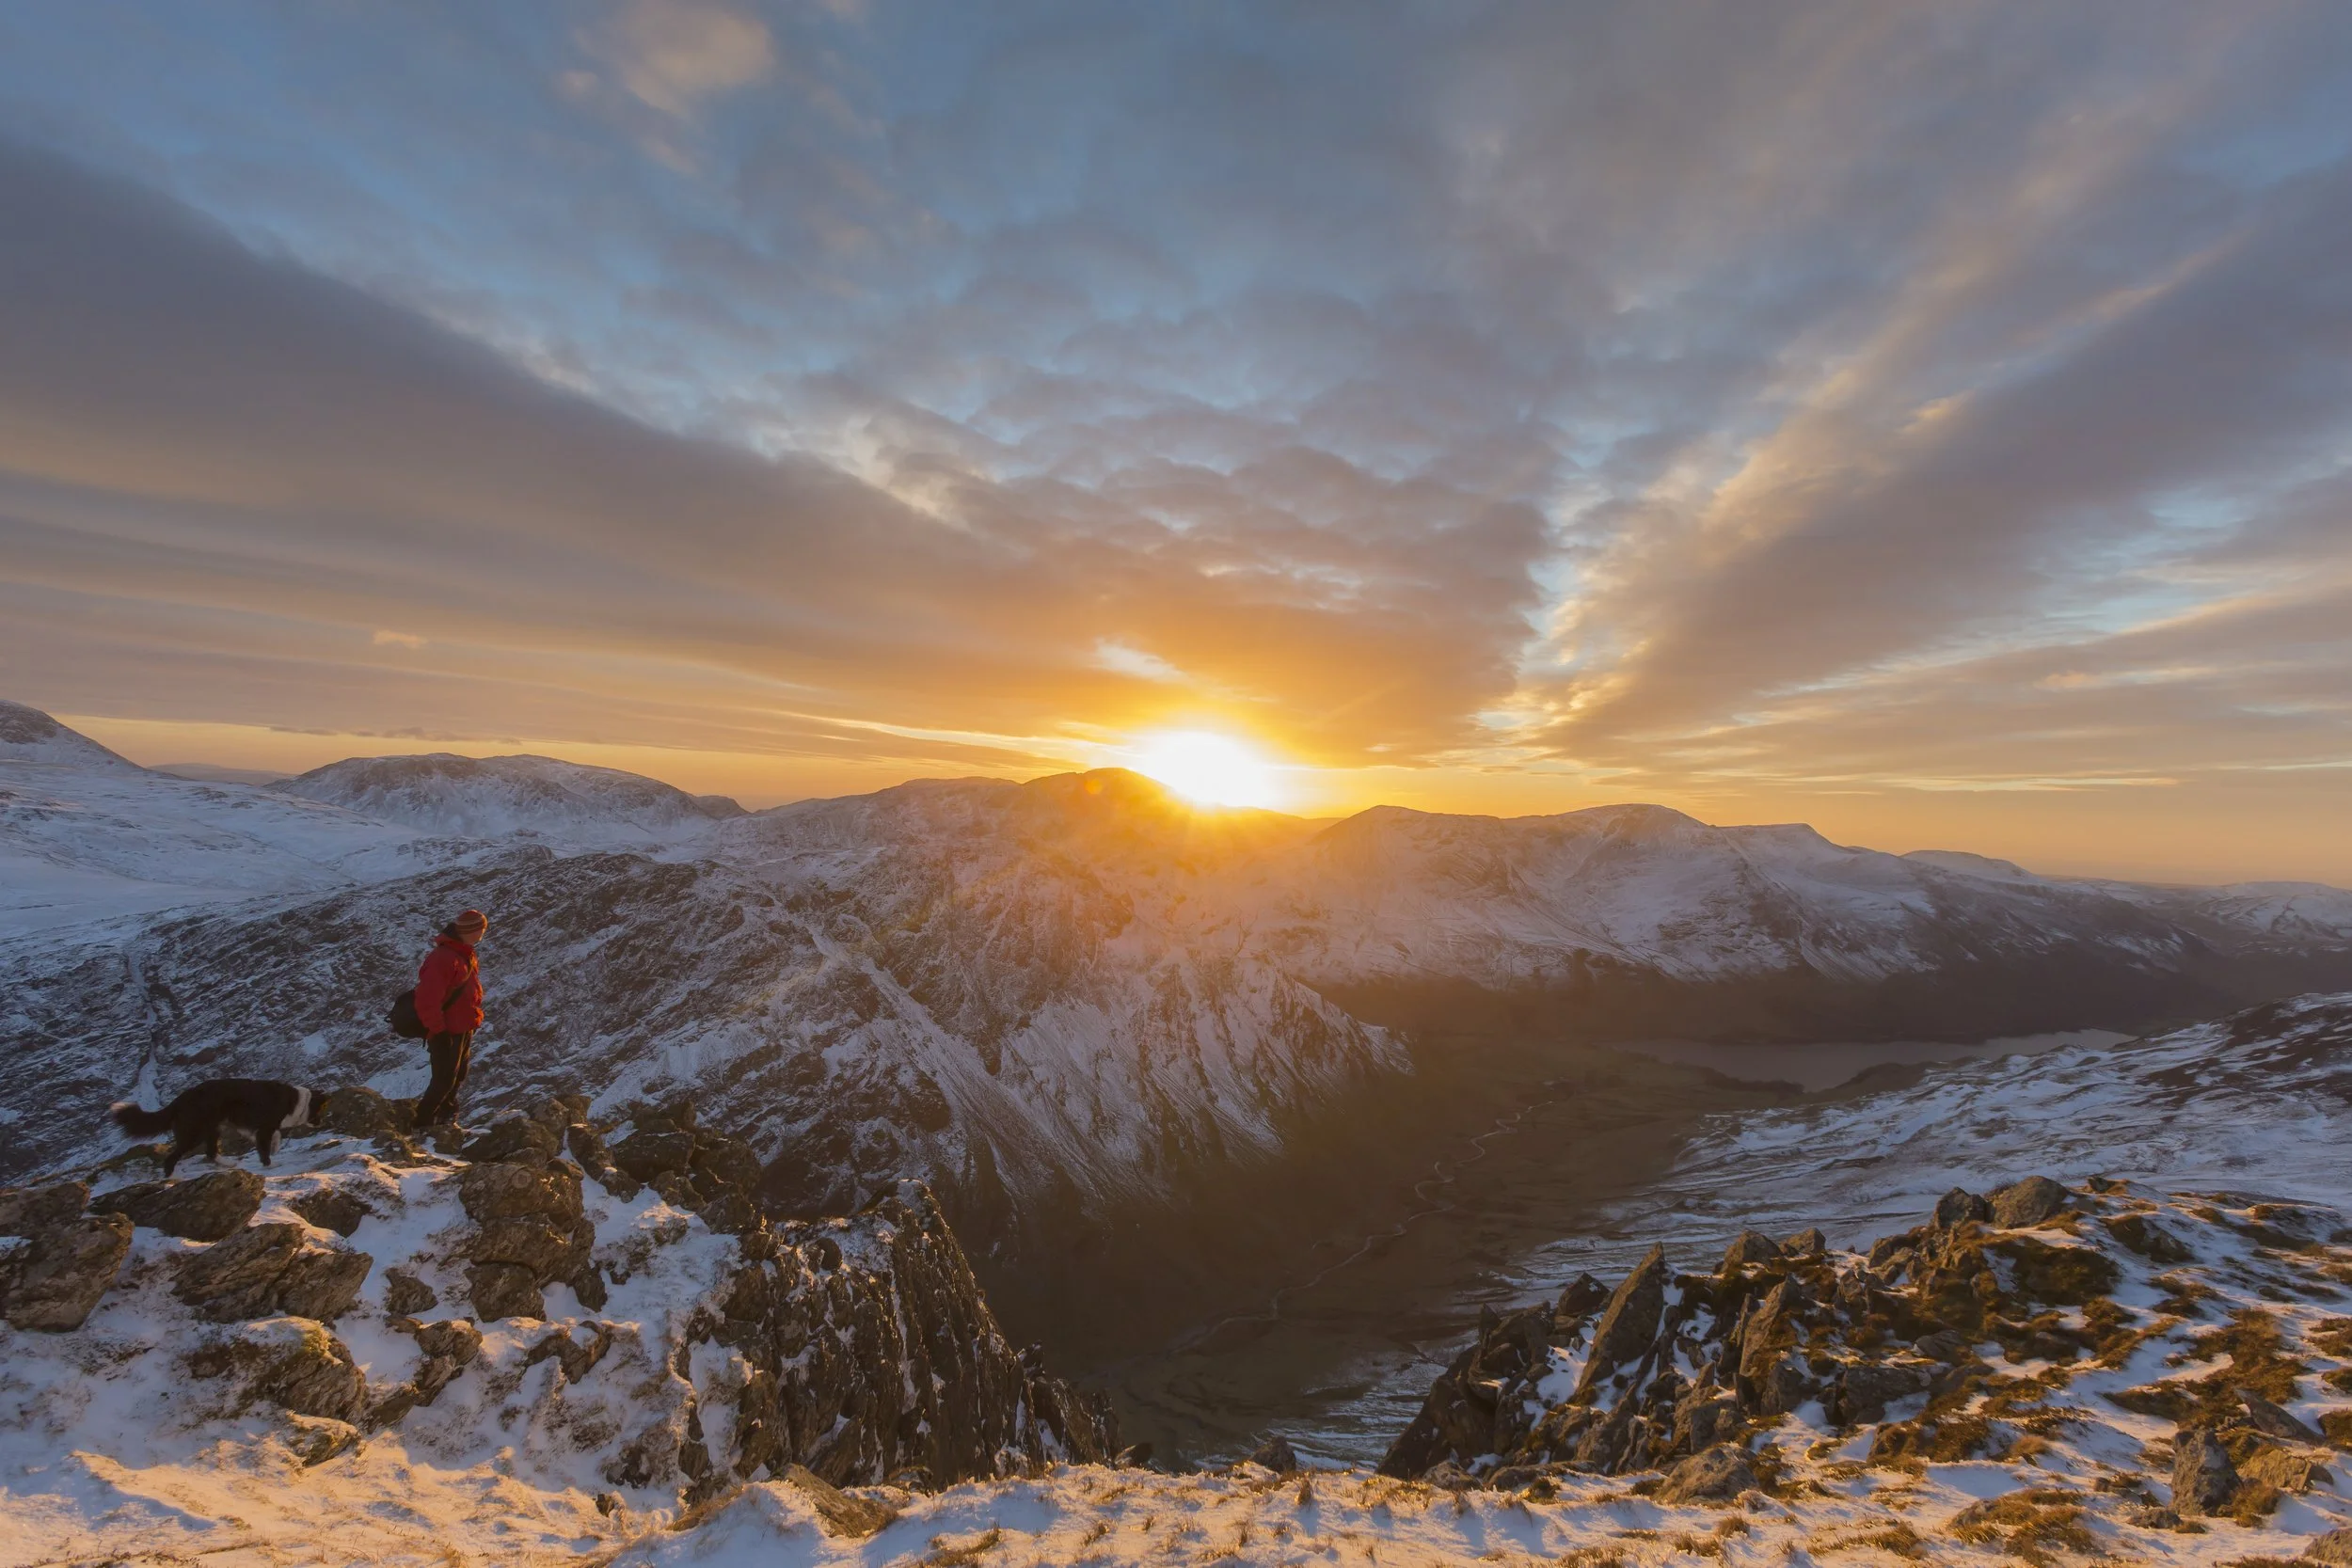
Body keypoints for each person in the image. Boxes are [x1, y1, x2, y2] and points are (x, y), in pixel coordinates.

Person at [414, 908, 487, 1127]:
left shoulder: (464, 953)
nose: (484, 933)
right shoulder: (443, 958)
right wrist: (438, 1030)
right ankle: (422, 1123)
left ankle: (446, 1117)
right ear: (472, 931)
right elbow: (428, 999)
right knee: (444, 1080)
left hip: (463, 1027)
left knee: (457, 1075)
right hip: (446, 1030)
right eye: (482, 929)